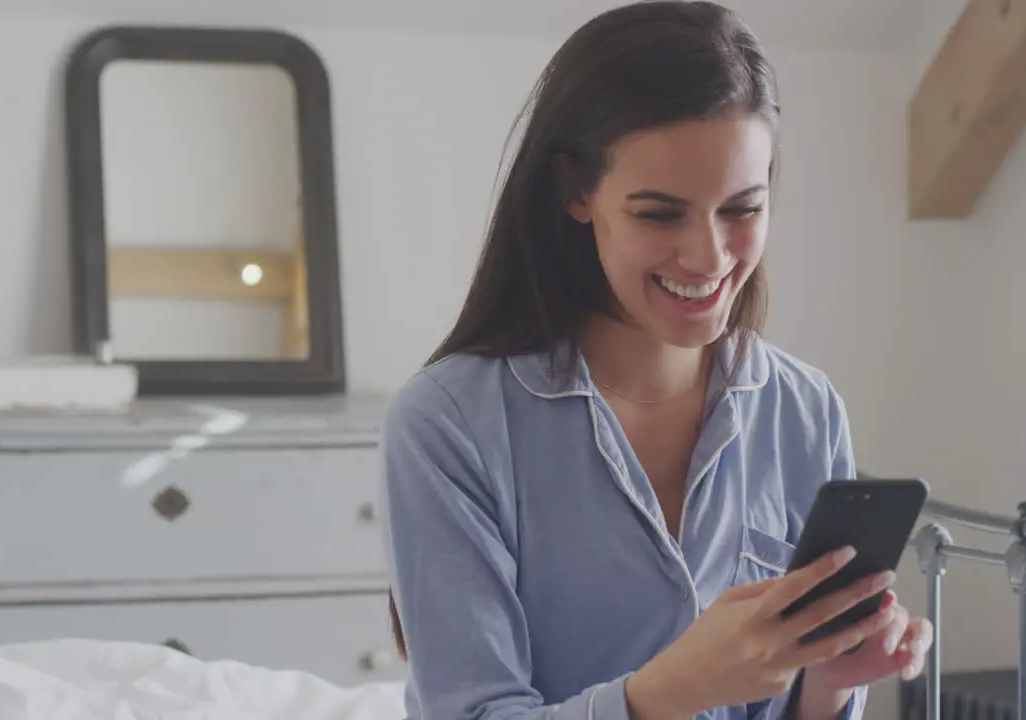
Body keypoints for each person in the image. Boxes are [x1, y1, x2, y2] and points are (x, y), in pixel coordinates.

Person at [382, 2, 933, 718]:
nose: (708, 257)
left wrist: (831, 681)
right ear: (576, 192)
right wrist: (673, 690)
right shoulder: (448, 425)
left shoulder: (805, 409)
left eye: (742, 209)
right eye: (660, 213)